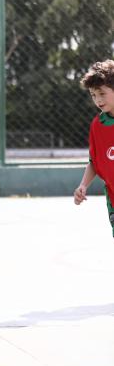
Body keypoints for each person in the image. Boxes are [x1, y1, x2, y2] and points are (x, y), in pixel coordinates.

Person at [74, 60, 114, 237]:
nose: (98, 100)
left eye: (102, 93)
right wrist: (83, 185)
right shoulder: (98, 125)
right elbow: (93, 162)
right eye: (93, 95)